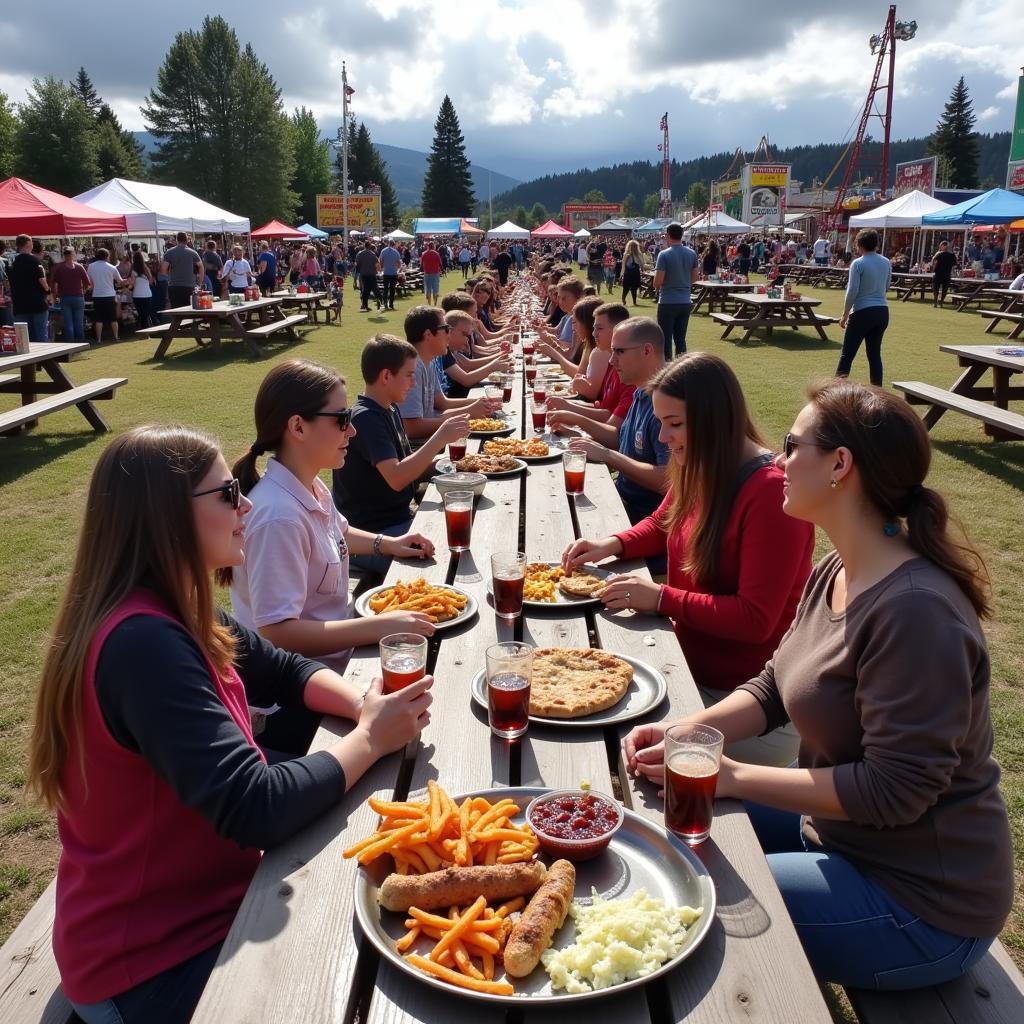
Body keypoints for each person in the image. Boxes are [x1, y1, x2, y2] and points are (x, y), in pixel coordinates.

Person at [27, 423, 433, 1024]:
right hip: (148, 962)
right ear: (164, 517)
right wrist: (370, 738)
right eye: (225, 494)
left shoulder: (177, 606)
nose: (245, 503)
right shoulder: (142, 644)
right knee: (363, 978)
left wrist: (361, 703)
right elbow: (255, 805)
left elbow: (282, 667)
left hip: (201, 907)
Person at [624, 379, 1014, 990]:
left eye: (790, 444)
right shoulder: (839, 565)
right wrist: (686, 731)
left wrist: (730, 774)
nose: (777, 460)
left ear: (840, 465)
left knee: (687, 899)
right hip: (842, 838)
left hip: (921, 901)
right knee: (663, 826)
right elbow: (775, 685)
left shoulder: (916, 611)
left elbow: (896, 790)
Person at [565, 354, 814, 765]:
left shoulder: (768, 492)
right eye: (661, 422)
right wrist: (610, 543)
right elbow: (664, 522)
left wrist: (661, 598)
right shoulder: (700, 463)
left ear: (715, 419)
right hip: (685, 664)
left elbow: (756, 619)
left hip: (743, 705)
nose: (663, 437)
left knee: (605, 741)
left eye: (674, 424)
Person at [333, 334, 470, 573]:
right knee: (452, 553)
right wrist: (440, 437)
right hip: (371, 535)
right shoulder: (365, 418)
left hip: (397, 521)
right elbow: (397, 478)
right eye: (409, 375)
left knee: (464, 529)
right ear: (386, 376)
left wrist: (456, 464)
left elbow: (409, 469)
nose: (413, 383)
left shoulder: (389, 408)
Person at [552, 316, 670, 526]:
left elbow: (668, 480)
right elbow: (622, 440)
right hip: (621, 499)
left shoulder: (667, 404)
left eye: (619, 351)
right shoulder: (641, 390)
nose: (611, 360)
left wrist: (607, 456)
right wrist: (578, 425)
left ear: (646, 351)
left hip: (642, 517)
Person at [396, 305, 501, 441]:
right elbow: (411, 429)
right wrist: (468, 411)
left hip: (431, 440)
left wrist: (479, 404)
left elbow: (442, 403)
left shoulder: (429, 361)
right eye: (446, 329)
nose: (449, 335)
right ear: (428, 335)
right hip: (418, 448)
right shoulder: (413, 368)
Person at [836, 229, 891, 388]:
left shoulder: (858, 263)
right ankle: (878, 391)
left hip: (862, 311)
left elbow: (852, 291)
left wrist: (845, 314)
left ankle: (836, 391)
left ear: (859, 244)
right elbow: (887, 286)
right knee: (874, 354)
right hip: (882, 311)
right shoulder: (886, 261)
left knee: (847, 355)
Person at [653, 223, 699, 359]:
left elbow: (657, 282)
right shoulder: (692, 253)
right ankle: (682, 370)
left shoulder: (664, 255)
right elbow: (695, 278)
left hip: (667, 301)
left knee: (666, 340)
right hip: (685, 300)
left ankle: (667, 369)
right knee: (680, 339)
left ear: (668, 235)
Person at [8, 233, 51, 341]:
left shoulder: (12, 262)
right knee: (41, 332)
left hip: (19, 303)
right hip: (37, 302)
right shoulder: (35, 261)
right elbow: (42, 280)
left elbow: (7, 281)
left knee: (25, 337)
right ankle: (44, 356)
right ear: (28, 244)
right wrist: (48, 291)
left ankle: (29, 357)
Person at [50, 247, 91, 342]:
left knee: (68, 322)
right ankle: (81, 342)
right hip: (78, 297)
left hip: (65, 297)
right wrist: (83, 292)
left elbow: (54, 285)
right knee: (79, 322)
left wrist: (55, 296)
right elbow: (88, 284)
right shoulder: (79, 267)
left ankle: (70, 343)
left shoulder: (58, 267)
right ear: (73, 255)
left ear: (64, 256)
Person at [87, 248, 125, 344]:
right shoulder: (112, 267)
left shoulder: (91, 267)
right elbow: (120, 281)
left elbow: (90, 282)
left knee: (99, 319)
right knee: (113, 318)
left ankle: (99, 339)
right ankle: (116, 337)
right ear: (107, 256)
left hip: (97, 295)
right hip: (110, 295)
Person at [162, 233, 203, 309]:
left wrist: (170, 276)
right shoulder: (193, 253)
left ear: (176, 240)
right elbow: (201, 267)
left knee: (176, 311)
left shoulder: (169, 252)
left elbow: (163, 270)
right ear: (187, 240)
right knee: (190, 311)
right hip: (190, 286)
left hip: (174, 286)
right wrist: (199, 283)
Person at [126, 250, 156, 331]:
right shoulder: (147, 270)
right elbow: (151, 281)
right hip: (147, 294)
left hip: (138, 294)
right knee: (146, 313)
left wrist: (126, 289)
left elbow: (132, 284)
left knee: (141, 313)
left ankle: (144, 328)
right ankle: (148, 327)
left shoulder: (133, 271)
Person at [355, 241, 382, 312]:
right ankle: (380, 301)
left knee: (365, 290)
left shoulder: (360, 254)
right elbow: (377, 264)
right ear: (370, 246)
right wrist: (378, 270)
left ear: (364, 246)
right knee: (375, 289)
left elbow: (356, 264)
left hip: (364, 274)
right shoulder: (373, 254)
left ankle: (365, 305)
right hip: (372, 274)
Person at [930, 240, 957, 306]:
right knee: (945, 289)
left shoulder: (939, 254)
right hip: (946, 274)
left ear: (943, 246)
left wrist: (933, 268)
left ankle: (935, 301)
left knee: (936, 288)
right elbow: (954, 265)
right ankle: (941, 302)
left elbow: (933, 261)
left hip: (939, 273)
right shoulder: (952, 255)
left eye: (941, 246)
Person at [378, 240, 402, 310]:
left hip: (386, 273)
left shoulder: (383, 251)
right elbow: (399, 264)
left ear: (388, 244)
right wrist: (395, 267)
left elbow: (381, 262)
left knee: (385, 289)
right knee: (392, 289)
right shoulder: (396, 252)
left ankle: (385, 302)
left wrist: (383, 267)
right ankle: (391, 304)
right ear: (394, 245)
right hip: (393, 273)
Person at [620, 239, 644, 306]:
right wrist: (621, 274)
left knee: (634, 288)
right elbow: (623, 265)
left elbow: (641, 263)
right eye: (632, 246)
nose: (634, 247)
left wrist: (642, 269)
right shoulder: (626, 254)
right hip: (628, 273)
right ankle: (623, 299)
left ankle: (634, 302)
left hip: (636, 273)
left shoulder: (639, 254)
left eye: (635, 246)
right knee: (626, 288)